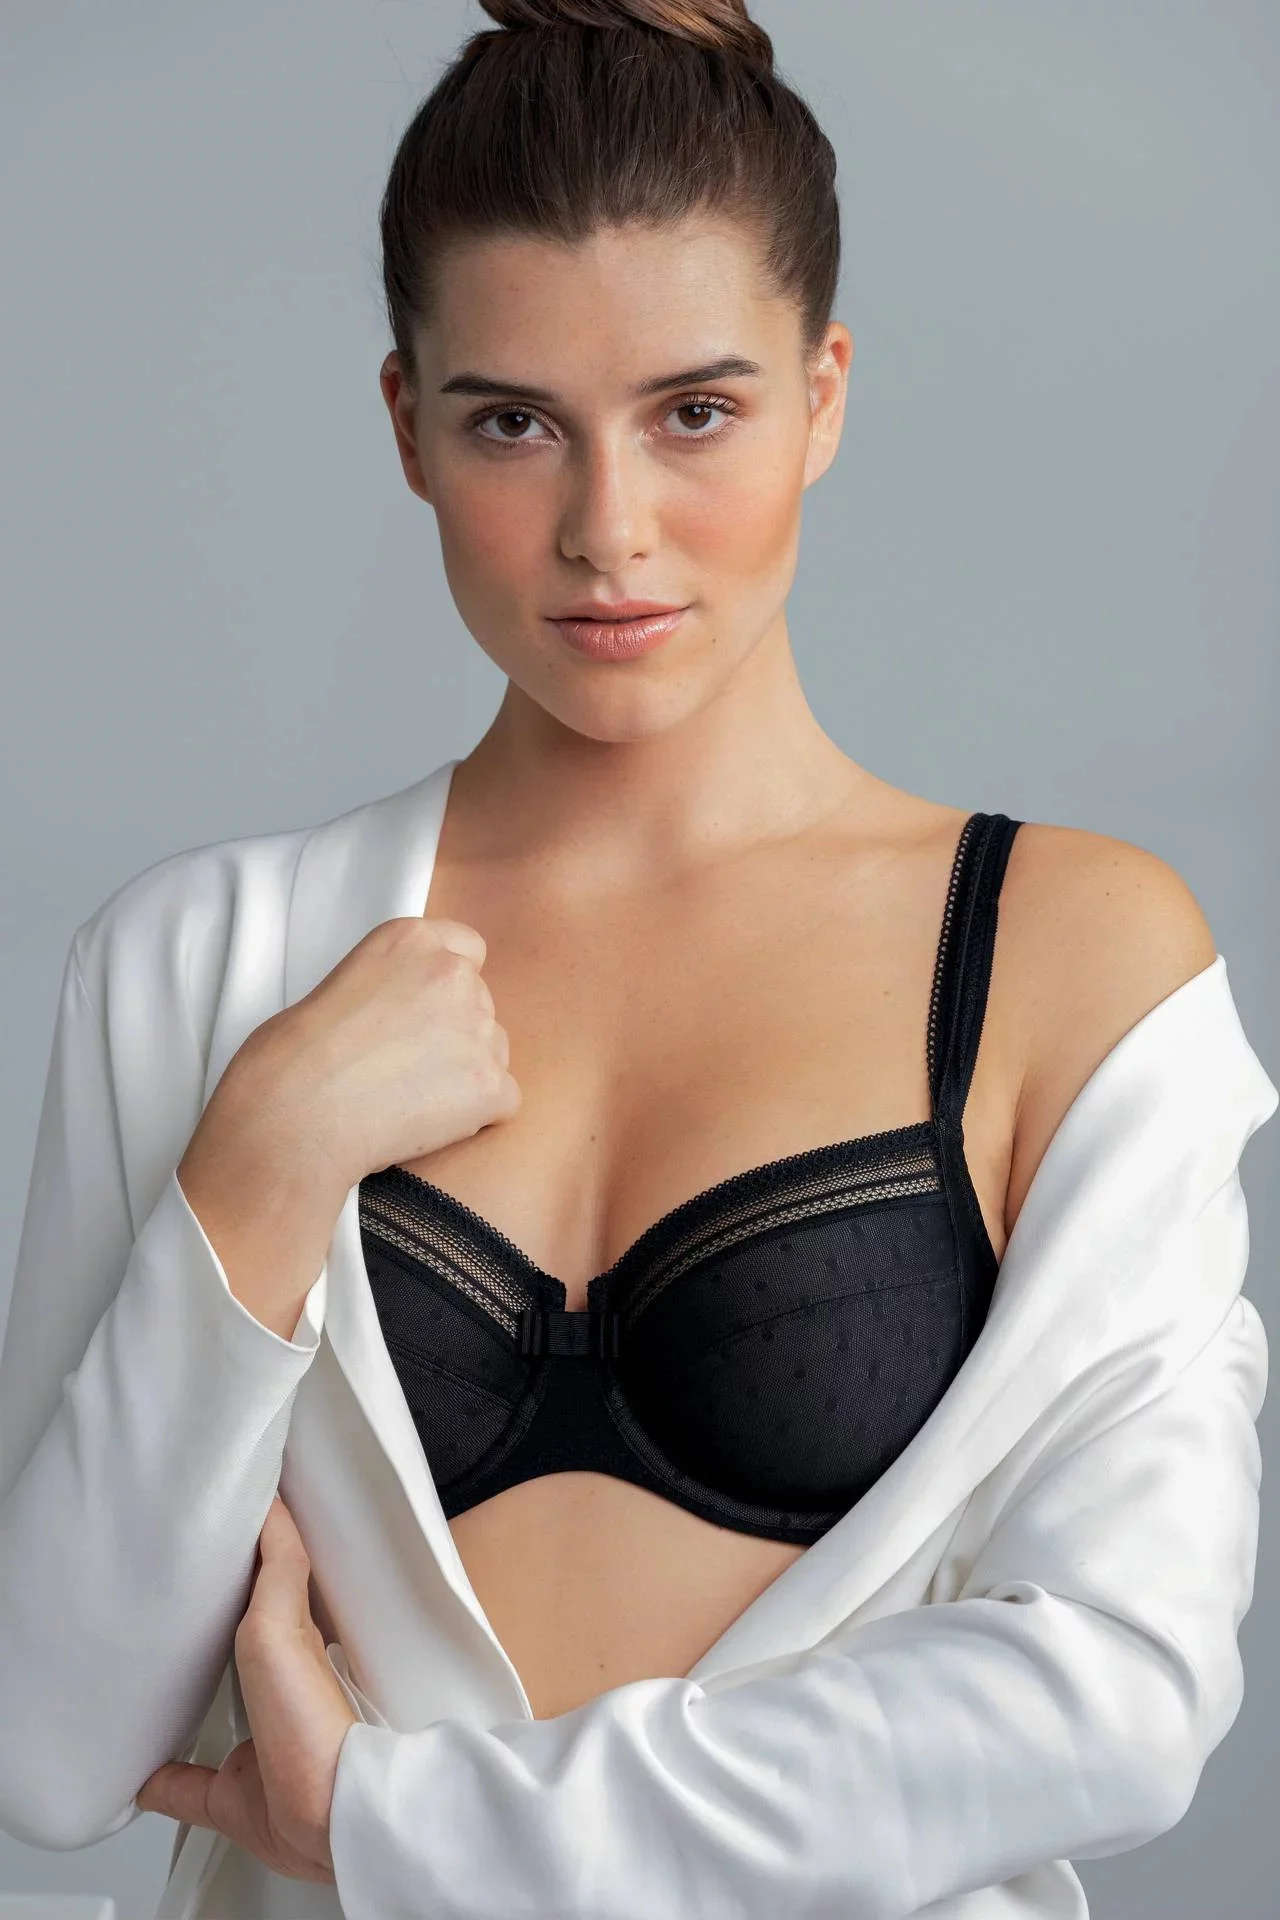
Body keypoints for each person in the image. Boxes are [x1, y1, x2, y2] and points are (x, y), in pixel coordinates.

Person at [1, 4, 1274, 1917]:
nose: (609, 531)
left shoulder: (1066, 958)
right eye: (513, 423)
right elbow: (48, 1746)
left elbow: (1123, 1694)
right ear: (407, 428)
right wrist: (258, 1166)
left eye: (696, 413)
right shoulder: (208, 968)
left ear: (825, 395)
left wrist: (403, 1826)